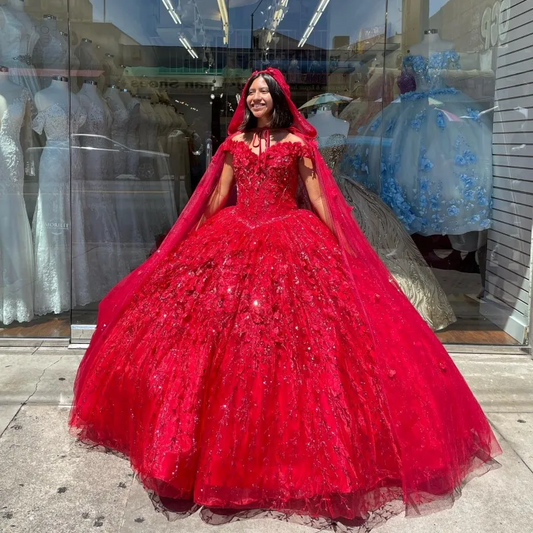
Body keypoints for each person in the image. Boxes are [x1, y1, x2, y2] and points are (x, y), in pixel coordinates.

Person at [69, 67, 501, 531]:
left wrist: (348, 245)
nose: (256, 97)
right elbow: (217, 196)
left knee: (301, 339)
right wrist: (190, 239)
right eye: (251, 91)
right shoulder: (234, 144)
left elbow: (318, 199)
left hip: (289, 235)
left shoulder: (298, 144)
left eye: (263, 91)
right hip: (235, 233)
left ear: (277, 97)